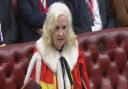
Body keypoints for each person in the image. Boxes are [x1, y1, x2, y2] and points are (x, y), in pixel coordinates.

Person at [24, 2, 90, 89]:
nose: (61, 34)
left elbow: (83, 85)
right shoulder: (39, 56)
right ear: (50, 29)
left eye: (64, 27)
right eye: (56, 28)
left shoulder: (75, 51)